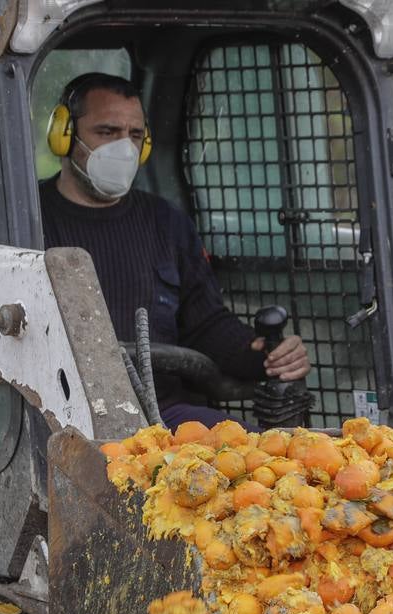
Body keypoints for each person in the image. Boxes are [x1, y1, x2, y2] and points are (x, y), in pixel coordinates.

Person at [39, 72, 310, 430]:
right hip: (59, 418)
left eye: (135, 135)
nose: (124, 148)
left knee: (256, 456)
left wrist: (265, 353)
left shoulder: (166, 222)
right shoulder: (28, 217)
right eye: (107, 132)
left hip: (162, 416)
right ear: (64, 134)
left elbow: (205, 323)